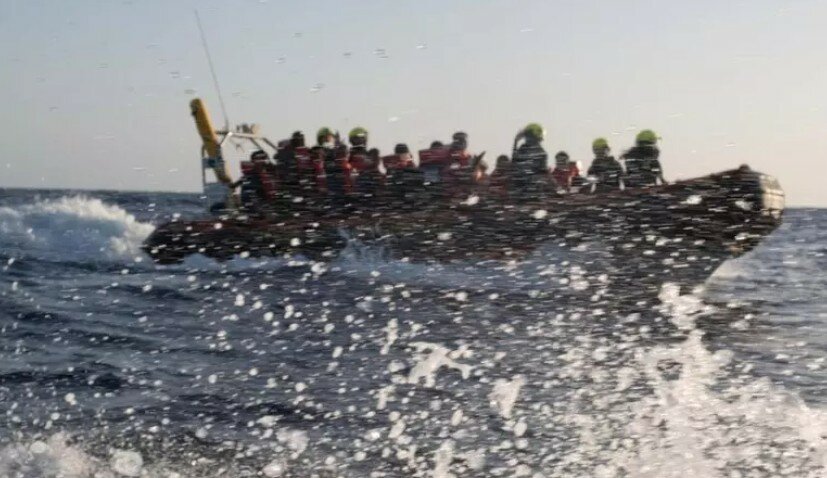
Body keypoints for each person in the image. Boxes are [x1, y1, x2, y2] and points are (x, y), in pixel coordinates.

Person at [511, 123, 549, 196]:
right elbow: (514, 163)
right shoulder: (524, 149)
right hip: (523, 191)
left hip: (528, 191)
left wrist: (515, 142)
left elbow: (544, 173)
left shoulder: (540, 152)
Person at [347, 127, 383, 199]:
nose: (362, 140)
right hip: (360, 190)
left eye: (363, 138)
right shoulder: (351, 155)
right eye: (359, 138)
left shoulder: (369, 154)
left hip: (371, 190)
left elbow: (376, 171)